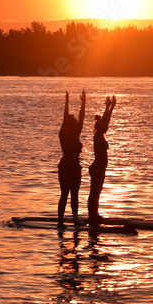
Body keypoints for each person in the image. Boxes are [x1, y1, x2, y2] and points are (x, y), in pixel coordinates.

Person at [57, 90, 86, 227]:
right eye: (73, 122)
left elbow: (82, 118)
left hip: (74, 168)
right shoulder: (64, 134)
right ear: (69, 125)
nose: (76, 124)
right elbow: (64, 119)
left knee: (74, 195)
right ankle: (61, 222)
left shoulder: (75, 134)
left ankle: (75, 218)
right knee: (65, 195)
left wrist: (84, 103)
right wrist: (67, 102)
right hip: (66, 168)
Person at [87, 95, 117, 225]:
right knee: (94, 192)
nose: (108, 127)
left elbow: (106, 121)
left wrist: (111, 107)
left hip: (100, 168)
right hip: (97, 168)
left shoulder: (99, 135)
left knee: (96, 192)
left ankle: (94, 214)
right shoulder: (98, 135)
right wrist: (108, 107)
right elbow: (105, 121)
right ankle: (92, 215)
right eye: (105, 126)